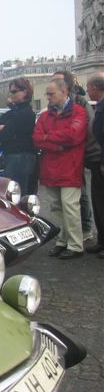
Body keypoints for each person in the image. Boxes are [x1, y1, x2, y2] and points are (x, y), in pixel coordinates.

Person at [33, 78, 88, 260]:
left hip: (69, 168)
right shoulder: (46, 116)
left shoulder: (78, 112)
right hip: (53, 167)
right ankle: (63, 241)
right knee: (56, 207)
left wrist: (49, 138)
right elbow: (37, 138)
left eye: (51, 94)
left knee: (70, 207)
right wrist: (57, 144)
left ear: (64, 92)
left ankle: (75, 244)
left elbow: (73, 136)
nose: (47, 97)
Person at [52, 71, 95, 241]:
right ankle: (68, 232)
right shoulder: (54, 105)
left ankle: (85, 228)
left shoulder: (80, 103)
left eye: (57, 81)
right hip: (61, 157)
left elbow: (87, 130)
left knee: (81, 193)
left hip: (78, 154)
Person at [0, 77, 38, 195]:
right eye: (10, 92)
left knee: (17, 195)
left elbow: (4, 134)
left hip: (21, 158)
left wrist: (1, 129)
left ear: (25, 92)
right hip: (12, 156)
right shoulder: (13, 112)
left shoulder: (26, 113)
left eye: (14, 92)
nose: (11, 95)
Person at [85, 72, 104, 258]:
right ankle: (101, 240)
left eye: (89, 87)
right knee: (98, 203)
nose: (87, 90)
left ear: (96, 88)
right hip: (97, 160)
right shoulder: (99, 106)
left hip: (101, 161)